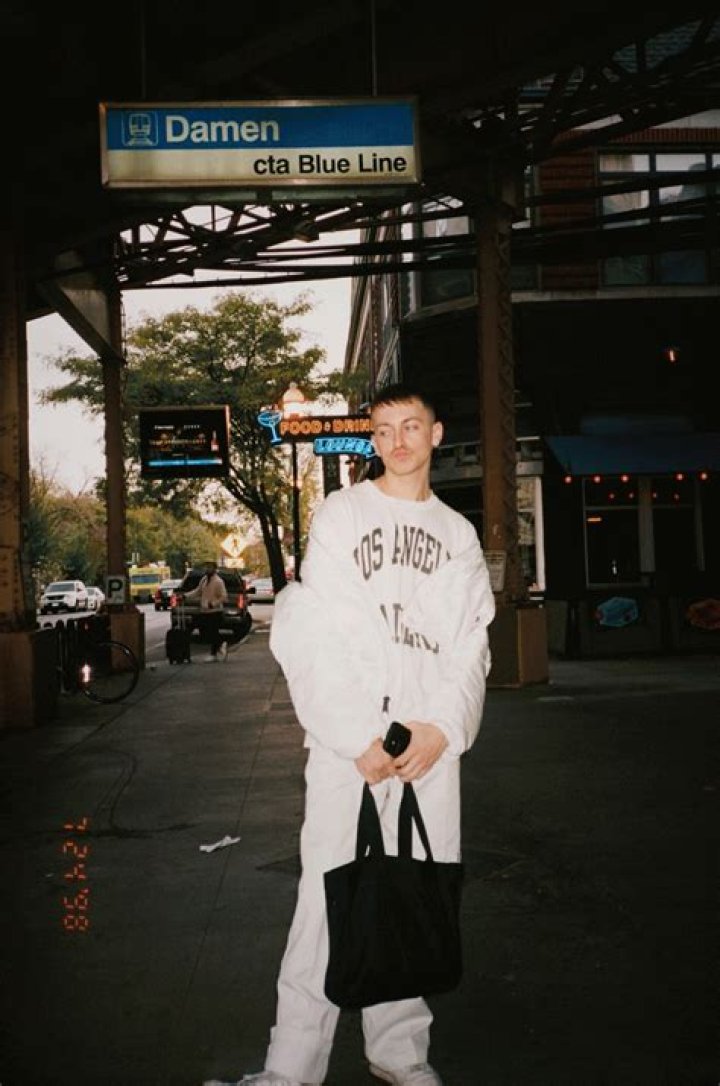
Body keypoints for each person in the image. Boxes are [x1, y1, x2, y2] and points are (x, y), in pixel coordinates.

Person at [204, 384, 495, 1086]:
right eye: (385, 429)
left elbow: (471, 645)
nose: (399, 441)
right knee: (325, 901)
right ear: (373, 439)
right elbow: (310, 628)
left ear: (435, 433)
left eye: (412, 426)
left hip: (426, 748)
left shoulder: (458, 534)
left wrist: (442, 729)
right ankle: (291, 1067)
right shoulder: (343, 514)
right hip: (351, 750)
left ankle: (399, 1052)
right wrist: (357, 733)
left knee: (412, 893)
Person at [182, 561, 228, 661]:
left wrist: (213, 603)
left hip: (215, 611)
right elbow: (198, 591)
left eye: (209, 567)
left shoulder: (218, 581)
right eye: (206, 567)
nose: (207, 569)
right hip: (204, 610)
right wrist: (185, 596)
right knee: (206, 633)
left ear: (214, 569)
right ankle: (220, 645)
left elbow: (224, 596)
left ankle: (214, 653)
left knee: (213, 632)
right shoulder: (204, 580)